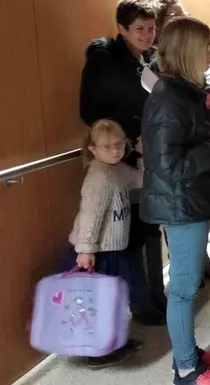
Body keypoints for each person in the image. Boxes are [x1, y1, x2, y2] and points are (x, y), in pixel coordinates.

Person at [141, 16, 210, 385]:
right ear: (188, 52)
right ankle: (186, 370)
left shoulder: (182, 92)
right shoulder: (168, 98)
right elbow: (169, 165)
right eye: (206, 47)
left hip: (189, 199)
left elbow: (183, 146)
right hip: (180, 204)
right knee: (182, 289)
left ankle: (189, 353)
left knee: (188, 284)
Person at [78, 0, 166, 326]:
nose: (146, 35)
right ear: (122, 29)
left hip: (145, 159)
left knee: (149, 228)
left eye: (151, 28)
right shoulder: (104, 60)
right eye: (139, 29)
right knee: (127, 236)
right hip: (120, 158)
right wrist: (129, 139)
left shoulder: (146, 60)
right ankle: (142, 303)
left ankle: (156, 297)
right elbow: (89, 112)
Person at [63, 120, 144, 369]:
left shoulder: (117, 169)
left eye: (120, 144)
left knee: (116, 299)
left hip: (115, 250)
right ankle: (97, 352)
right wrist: (86, 250)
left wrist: (140, 154)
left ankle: (114, 341)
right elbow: (90, 215)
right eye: (107, 146)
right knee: (98, 303)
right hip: (98, 252)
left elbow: (140, 180)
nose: (115, 150)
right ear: (93, 149)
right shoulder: (98, 177)